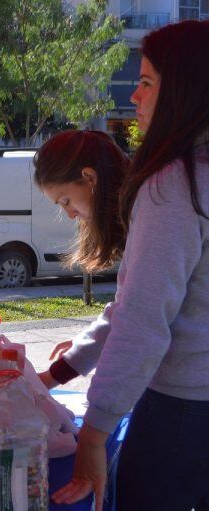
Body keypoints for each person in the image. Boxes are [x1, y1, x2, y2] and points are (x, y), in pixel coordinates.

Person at [39, 21, 209, 510]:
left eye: (148, 82)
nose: (133, 96)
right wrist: (67, 368)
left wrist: (95, 430)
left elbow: (140, 319)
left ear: (184, 91)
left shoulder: (175, 186)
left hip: (181, 413)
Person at [31, 129, 129, 389]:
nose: (70, 214)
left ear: (90, 178)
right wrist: (78, 353)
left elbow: (135, 322)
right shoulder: (138, 215)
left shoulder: (151, 218)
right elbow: (124, 313)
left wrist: (96, 422)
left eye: (66, 201)